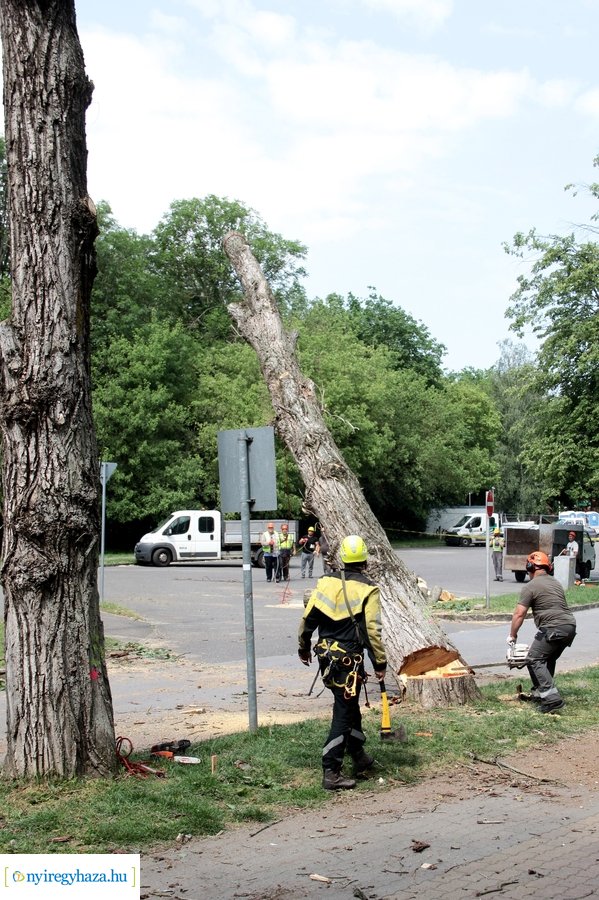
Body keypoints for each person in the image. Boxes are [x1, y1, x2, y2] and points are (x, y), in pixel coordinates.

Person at [298, 535, 387, 790]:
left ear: (342, 559)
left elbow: (308, 619)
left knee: (348, 705)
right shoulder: (369, 588)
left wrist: (303, 647)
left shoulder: (325, 582)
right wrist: (380, 663)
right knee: (343, 710)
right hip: (349, 661)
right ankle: (331, 770)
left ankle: (358, 754)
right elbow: (372, 630)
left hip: (327, 658)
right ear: (365, 560)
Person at [508, 550, 576, 713]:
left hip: (553, 628)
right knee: (546, 659)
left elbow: (519, 613)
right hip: (569, 626)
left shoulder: (530, 586)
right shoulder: (555, 582)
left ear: (530, 567)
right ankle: (541, 694)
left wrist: (512, 635)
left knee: (533, 658)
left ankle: (553, 700)